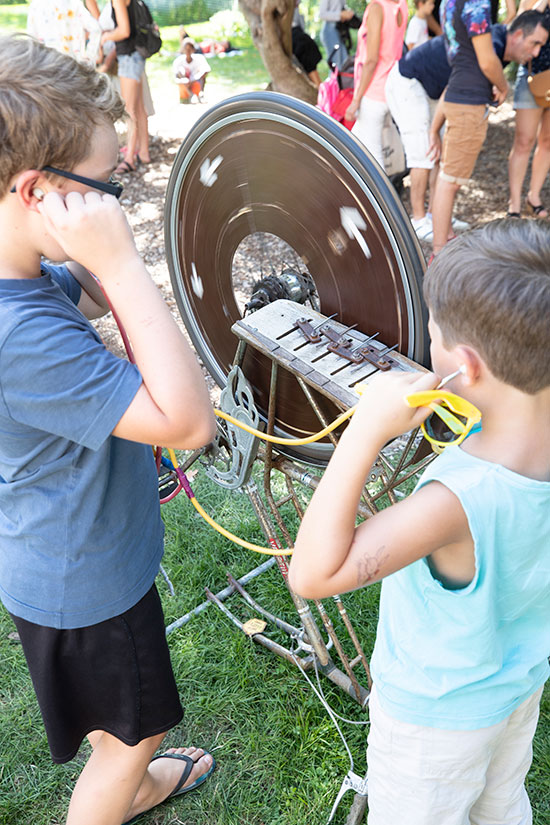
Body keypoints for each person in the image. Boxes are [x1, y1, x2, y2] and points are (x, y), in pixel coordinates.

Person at [0, 34, 216, 825]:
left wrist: (104, 254)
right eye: (101, 187)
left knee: (115, 722)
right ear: (36, 192)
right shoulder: (17, 333)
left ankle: (140, 782)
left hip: (59, 563)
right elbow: (188, 420)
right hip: (85, 582)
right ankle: (121, 793)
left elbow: (85, 292)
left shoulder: (20, 276)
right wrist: (126, 265)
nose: (112, 204)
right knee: (132, 731)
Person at [289, 219, 550, 825]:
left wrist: (367, 430)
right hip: (516, 689)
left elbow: (313, 573)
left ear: (466, 365)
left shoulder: (454, 502)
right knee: (501, 804)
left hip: (433, 721)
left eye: (432, 334)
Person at [386, 11, 548, 239]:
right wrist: (503, 86)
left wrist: (435, 130)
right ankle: (419, 220)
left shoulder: (498, 46)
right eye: (534, 43)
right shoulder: (491, 45)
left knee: (438, 153)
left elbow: (451, 83)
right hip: (409, 81)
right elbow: (465, 78)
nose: (536, 52)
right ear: (518, 34)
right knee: (423, 153)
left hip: (437, 91)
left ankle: (435, 215)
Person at [430, 0, 511, 254]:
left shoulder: (449, 3)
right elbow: (487, 60)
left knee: (449, 177)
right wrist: (503, 85)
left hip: (457, 93)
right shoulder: (476, 2)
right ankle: (439, 252)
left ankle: (446, 238)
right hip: (468, 100)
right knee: (450, 181)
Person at [344, 0, 409, 168]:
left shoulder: (376, 8)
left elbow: (371, 60)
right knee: (352, 145)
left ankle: (379, 194)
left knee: (373, 158)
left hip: (375, 91)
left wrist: (356, 100)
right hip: (392, 86)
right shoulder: (401, 4)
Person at [508, 0, 550, 217]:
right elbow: (522, 24)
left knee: (547, 141)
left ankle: (533, 198)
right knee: (523, 141)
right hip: (532, 75)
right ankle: (514, 205)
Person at [101, 0, 151, 174]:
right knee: (139, 108)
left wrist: (105, 37)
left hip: (128, 57)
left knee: (130, 110)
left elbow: (124, 30)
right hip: (137, 56)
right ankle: (143, 152)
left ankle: (129, 159)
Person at [27, 0, 101, 61]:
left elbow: (31, 39)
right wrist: (90, 56)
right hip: (72, 64)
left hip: (46, 64)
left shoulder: (35, 6)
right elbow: (96, 29)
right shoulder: (74, 3)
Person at [292, 0, 323, 87]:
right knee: (311, 69)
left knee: (311, 69)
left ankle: (320, 91)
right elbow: (301, 25)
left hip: (299, 39)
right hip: (298, 39)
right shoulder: (292, 7)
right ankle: (320, 91)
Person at [319, 0, 356, 70]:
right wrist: (340, 14)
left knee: (345, 63)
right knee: (336, 66)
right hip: (330, 30)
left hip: (340, 29)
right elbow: (322, 14)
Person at [173, 37, 211, 103]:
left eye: (190, 48)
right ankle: (191, 95)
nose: (188, 51)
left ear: (193, 49)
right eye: (186, 49)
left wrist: (194, 79)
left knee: (202, 72)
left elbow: (207, 70)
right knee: (181, 71)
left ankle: (200, 94)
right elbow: (176, 77)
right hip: (184, 85)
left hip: (196, 82)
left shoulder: (199, 58)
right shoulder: (178, 61)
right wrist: (184, 80)